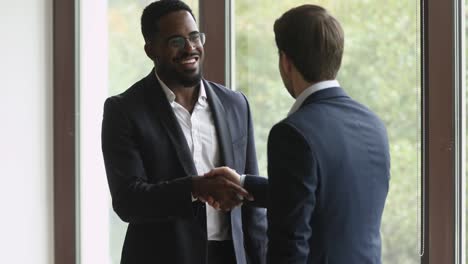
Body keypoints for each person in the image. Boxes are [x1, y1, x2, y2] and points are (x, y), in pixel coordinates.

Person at [207, 4, 390, 264]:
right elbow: (326, 198)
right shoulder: (374, 124)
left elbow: (289, 243)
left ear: (285, 61)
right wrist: (245, 184)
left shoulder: (292, 133)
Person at [101, 1, 266, 263]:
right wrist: (194, 187)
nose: (190, 48)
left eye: (194, 37)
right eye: (176, 41)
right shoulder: (124, 110)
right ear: (150, 49)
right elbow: (128, 200)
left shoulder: (235, 104)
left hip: (230, 256)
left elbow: (251, 205)